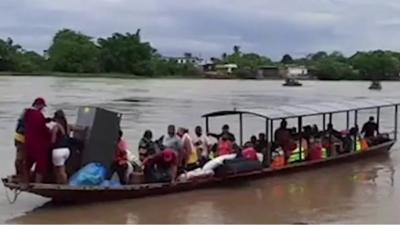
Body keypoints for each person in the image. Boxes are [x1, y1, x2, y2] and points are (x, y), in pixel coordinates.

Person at [23, 97, 51, 183]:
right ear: (40, 105)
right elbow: (42, 129)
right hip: (38, 144)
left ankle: (25, 180)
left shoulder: (28, 113)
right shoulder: (38, 115)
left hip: (28, 142)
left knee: (28, 163)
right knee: (41, 164)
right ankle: (37, 183)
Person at [50, 110, 71, 184]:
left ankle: (63, 184)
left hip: (58, 150)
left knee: (59, 170)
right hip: (67, 150)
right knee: (62, 168)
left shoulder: (56, 126)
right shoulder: (67, 126)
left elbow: (53, 140)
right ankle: (61, 183)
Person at [13, 107, 29, 180]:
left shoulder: (20, 121)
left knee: (19, 158)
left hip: (18, 139)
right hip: (21, 140)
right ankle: (20, 175)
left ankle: (19, 174)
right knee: (21, 159)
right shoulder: (25, 122)